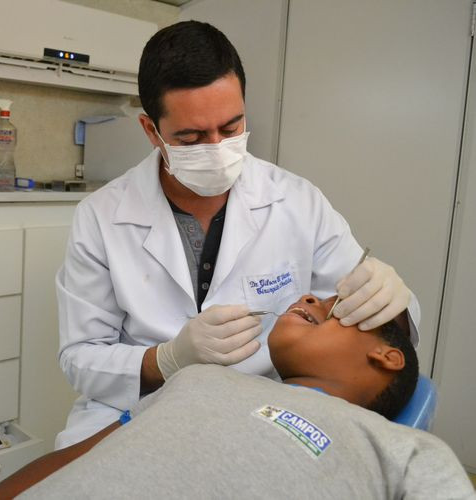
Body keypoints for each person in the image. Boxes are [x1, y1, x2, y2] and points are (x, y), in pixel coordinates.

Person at [55, 20, 420, 448]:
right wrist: (167, 360)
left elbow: (371, 335)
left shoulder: (298, 201)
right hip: (135, 410)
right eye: (190, 137)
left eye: (230, 129)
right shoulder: (101, 217)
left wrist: (391, 300)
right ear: (152, 131)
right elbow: (80, 358)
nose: (215, 147)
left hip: (261, 411)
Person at [0, 295, 475, 499]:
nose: (307, 298)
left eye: (336, 305)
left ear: (388, 356)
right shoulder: (200, 380)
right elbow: (77, 457)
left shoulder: (398, 447)